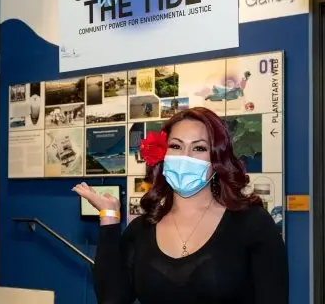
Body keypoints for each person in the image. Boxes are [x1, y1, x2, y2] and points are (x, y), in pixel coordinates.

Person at [74, 107, 288, 304]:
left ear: (216, 160)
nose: (185, 157)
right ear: (163, 155)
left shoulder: (252, 223)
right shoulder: (141, 229)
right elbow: (112, 299)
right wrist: (109, 217)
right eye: (175, 146)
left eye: (199, 148)